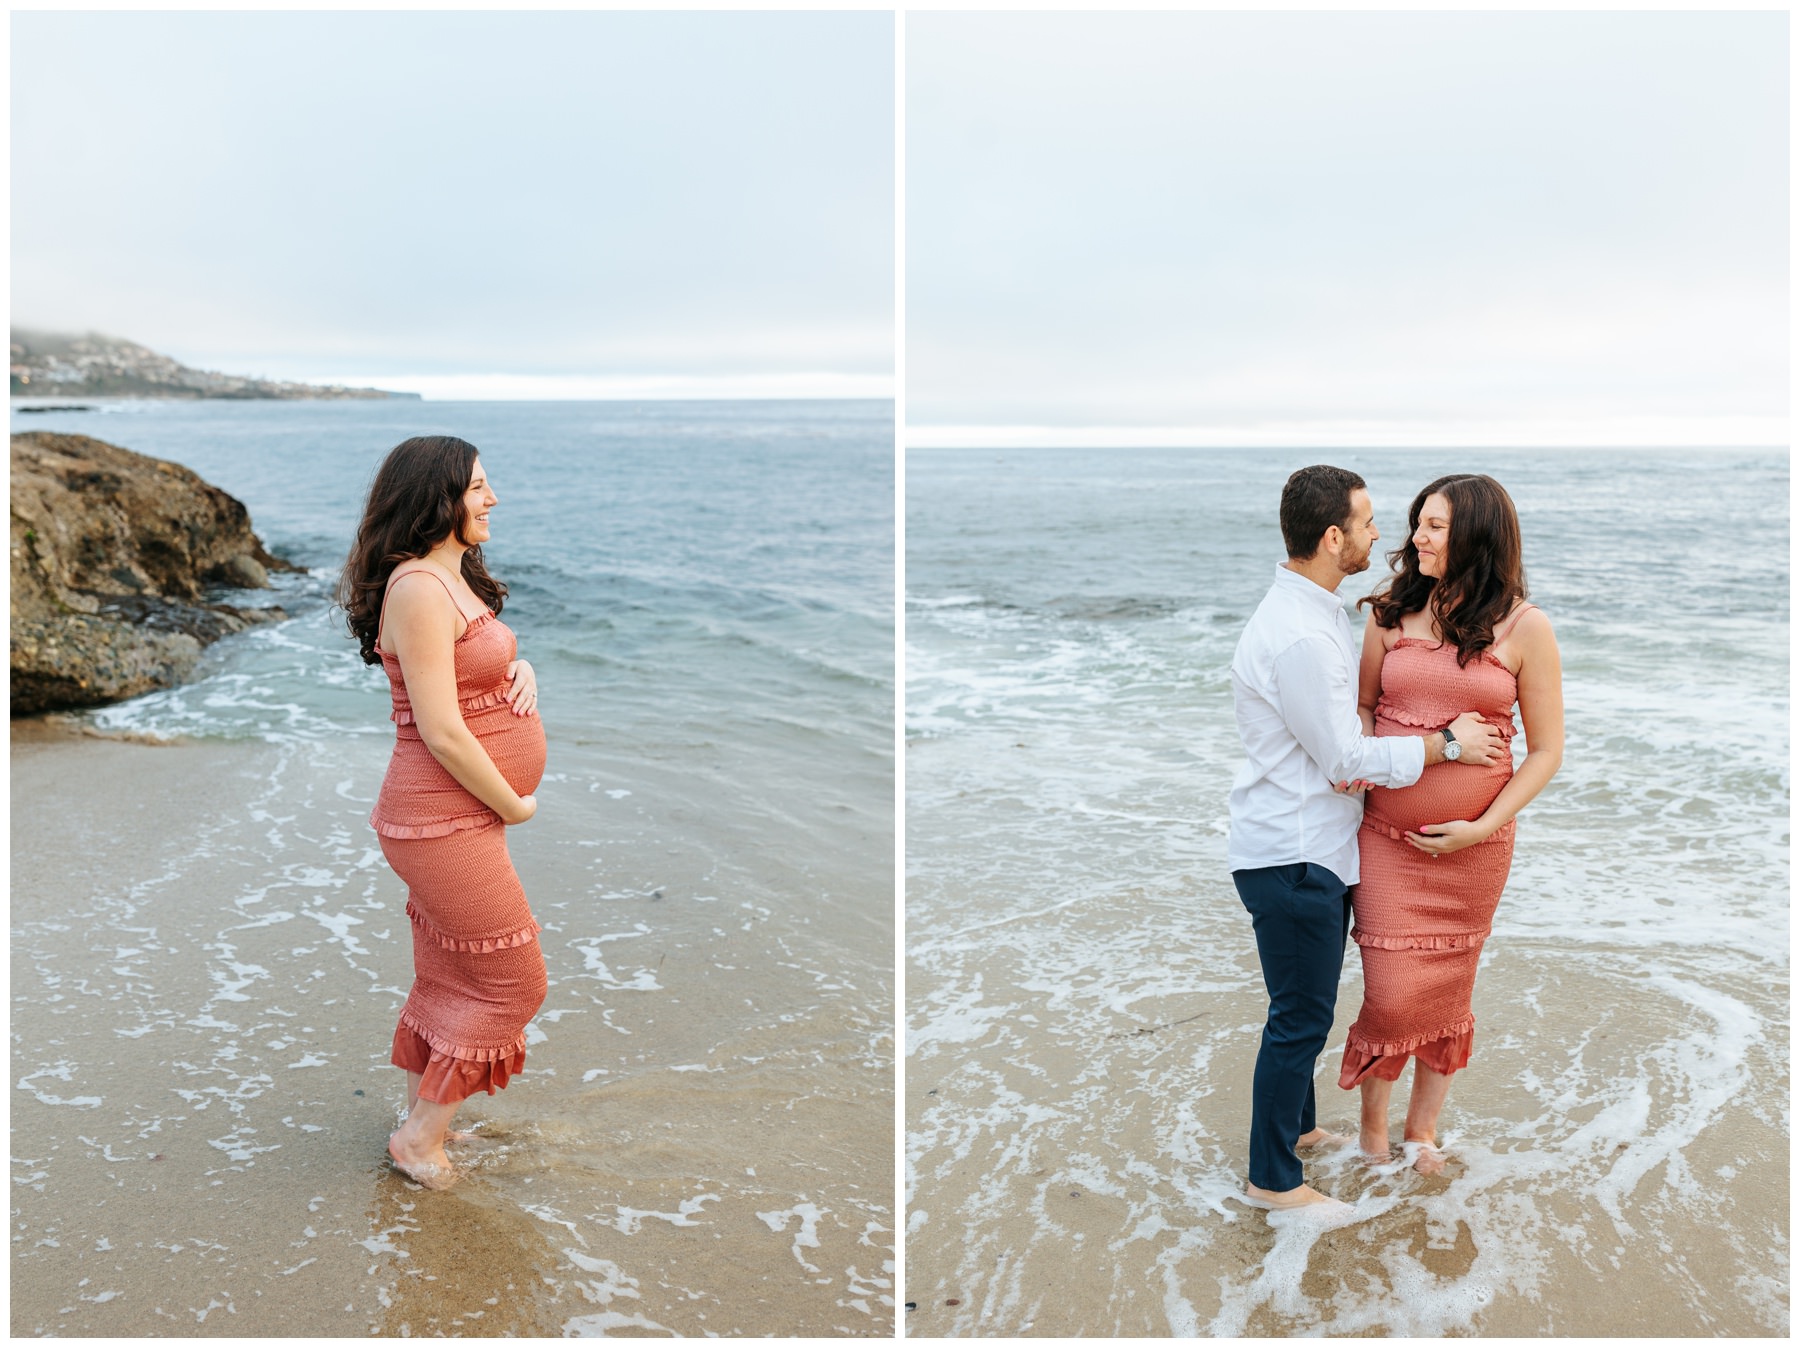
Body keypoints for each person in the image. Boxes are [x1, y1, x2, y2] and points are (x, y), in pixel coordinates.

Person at [1227, 465, 1503, 1214]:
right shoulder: (1301, 637)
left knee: (1301, 1008)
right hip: (1293, 853)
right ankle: (1271, 1181)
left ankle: (1297, 1130)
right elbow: (1345, 757)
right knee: (1299, 1019)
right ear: (1332, 537)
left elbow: (1340, 729)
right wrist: (1442, 745)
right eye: (1369, 520)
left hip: (1306, 846)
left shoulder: (1317, 611)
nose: (1382, 533)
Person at [338, 435, 548, 1189]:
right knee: (515, 984)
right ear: (438, 496)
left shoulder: (450, 579)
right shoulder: (419, 589)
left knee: (453, 979)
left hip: (456, 818)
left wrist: (516, 667)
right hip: (440, 820)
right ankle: (419, 1141)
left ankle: (418, 1122)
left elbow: (468, 671)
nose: (492, 499)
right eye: (479, 487)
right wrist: (514, 805)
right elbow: (442, 729)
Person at [1338, 474, 1563, 1174]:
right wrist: (1377, 763)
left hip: (1475, 851)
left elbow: (1547, 751)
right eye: (1418, 523)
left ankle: (1421, 1132)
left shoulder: (1526, 627)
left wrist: (1480, 825)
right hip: (1387, 842)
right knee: (1392, 993)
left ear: (1476, 536)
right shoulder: (1387, 613)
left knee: (1446, 991)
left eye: (1434, 526)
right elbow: (1364, 708)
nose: (1417, 538)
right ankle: (1373, 1132)